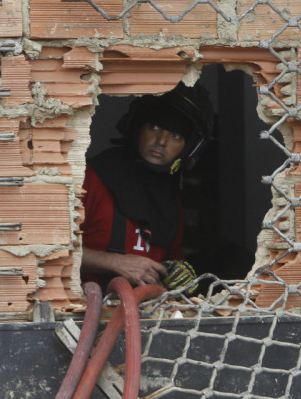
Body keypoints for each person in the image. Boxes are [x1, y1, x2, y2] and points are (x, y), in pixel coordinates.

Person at [79, 82, 211, 293]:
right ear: (137, 128)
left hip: (149, 313)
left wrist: (177, 274)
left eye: (176, 136)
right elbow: (54, 253)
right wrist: (116, 263)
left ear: (188, 150)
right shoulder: (92, 178)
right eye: (155, 127)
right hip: (89, 310)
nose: (161, 141)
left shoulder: (169, 197)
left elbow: (172, 259)